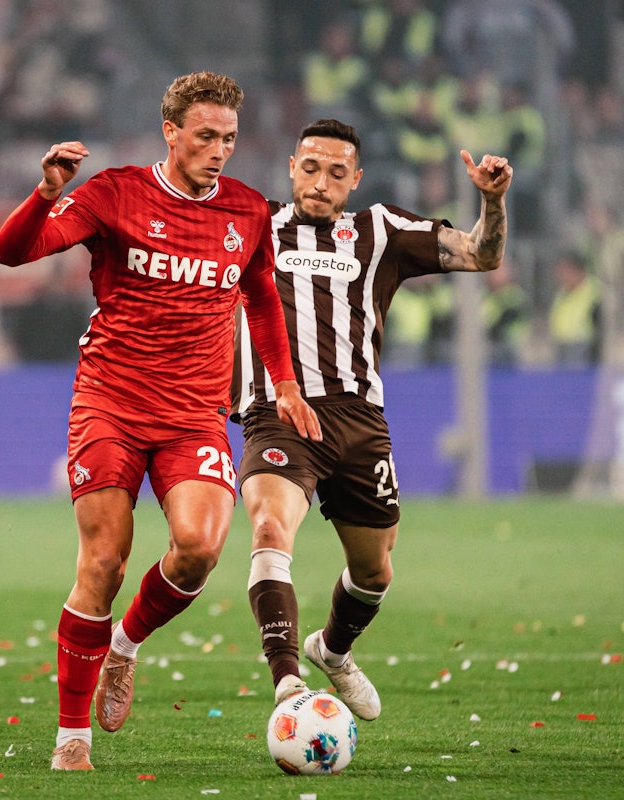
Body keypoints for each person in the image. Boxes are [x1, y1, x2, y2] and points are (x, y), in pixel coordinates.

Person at [0, 71, 321, 772]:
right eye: (205, 135)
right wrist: (45, 194)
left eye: (229, 138)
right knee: (103, 562)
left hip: (194, 413)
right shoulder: (114, 193)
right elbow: (12, 253)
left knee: (200, 547)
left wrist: (285, 384)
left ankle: (124, 648)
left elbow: (260, 296)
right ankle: (70, 740)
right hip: (110, 402)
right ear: (169, 131)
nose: (218, 150)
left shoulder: (246, 211)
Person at [232, 118, 511, 720]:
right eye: (310, 168)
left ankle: (332, 650)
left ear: (354, 180)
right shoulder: (252, 224)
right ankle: (287, 684)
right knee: (268, 529)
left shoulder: (379, 231)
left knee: (374, 570)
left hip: (360, 422)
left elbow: (479, 255)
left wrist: (491, 203)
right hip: (279, 414)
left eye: (337, 173)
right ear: (290, 168)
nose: (321, 182)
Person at [548, 250, 602, 365]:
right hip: (562, 344)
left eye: (564, 270)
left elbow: (600, 322)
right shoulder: (563, 292)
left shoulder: (593, 291)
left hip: (583, 347)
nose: (560, 275)